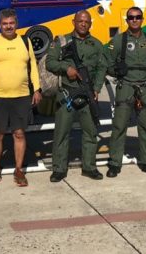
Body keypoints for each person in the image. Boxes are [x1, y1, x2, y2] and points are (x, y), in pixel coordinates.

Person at [0, 8, 41, 187]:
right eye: (5, 24)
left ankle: (19, 170)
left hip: (21, 96)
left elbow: (33, 68)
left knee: (19, 133)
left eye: (11, 23)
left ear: (16, 24)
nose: (8, 27)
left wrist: (37, 89)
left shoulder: (25, 41)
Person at [46, 10, 107, 182]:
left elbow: (102, 67)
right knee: (61, 133)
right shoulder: (61, 41)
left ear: (90, 24)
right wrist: (67, 69)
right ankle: (59, 168)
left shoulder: (96, 44)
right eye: (80, 21)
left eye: (86, 22)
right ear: (73, 22)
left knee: (90, 132)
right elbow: (50, 62)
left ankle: (89, 167)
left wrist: (96, 88)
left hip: (88, 95)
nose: (83, 24)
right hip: (67, 93)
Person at [105, 6, 146, 178]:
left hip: (145, 88)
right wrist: (116, 72)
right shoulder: (118, 41)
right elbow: (106, 61)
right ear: (127, 20)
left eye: (137, 17)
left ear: (142, 19)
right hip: (126, 87)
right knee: (119, 126)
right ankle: (115, 163)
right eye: (131, 17)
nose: (134, 20)